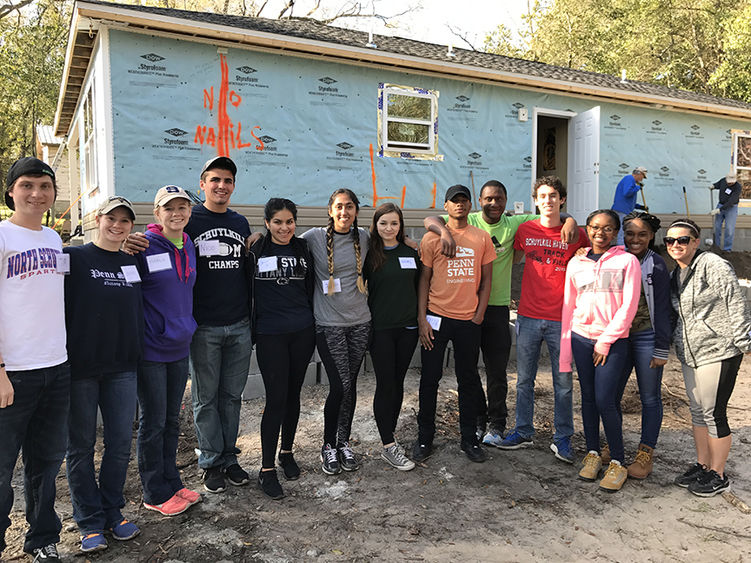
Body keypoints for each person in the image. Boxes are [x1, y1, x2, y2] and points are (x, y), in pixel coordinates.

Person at [125, 157, 253, 494]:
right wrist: (132, 241)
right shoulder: (190, 219)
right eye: (215, 180)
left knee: (232, 397)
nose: (221, 186)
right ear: (203, 185)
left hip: (239, 324)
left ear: (233, 186)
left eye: (227, 180)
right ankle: (210, 461)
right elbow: (160, 237)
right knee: (205, 398)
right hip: (203, 327)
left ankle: (229, 456)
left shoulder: (240, 223)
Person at [423, 180, 578, 446]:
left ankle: (496, 423)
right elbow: (431, 218)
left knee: (496, 371)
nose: (494, 204)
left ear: (506, 201)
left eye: (499, 199)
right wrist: (444, 233)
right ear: (479, 202)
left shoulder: (515, 223)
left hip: (496, 308)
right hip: (465, 309)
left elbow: (552, 212)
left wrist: (571, 220)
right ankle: (478, 420)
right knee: (469, 371)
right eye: (488, 199)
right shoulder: (468, 218)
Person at [64, 197, 143, 553]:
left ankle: (113, 511)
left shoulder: (131, 265)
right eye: (112, 218)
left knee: (120, 444)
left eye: (125, 221)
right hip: (80, 369)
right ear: (98, 219)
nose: (118, 225)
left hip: (122, 368)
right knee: (80, 448)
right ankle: (89, 520)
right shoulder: (75, 258)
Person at [0, 157, 69, 563]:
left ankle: (43, 537)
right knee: (2, 467)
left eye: (44, 186)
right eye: (27, 185)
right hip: (13, 374)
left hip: (56, 368)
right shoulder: (3, 236)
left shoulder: (53, 239)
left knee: (45, 463)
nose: (36, 193)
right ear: (11, 190)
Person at [499, 176, 587, 464]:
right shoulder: (525, 230)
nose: (547, 201)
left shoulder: (577, 234)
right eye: (542, 196)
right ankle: (523, 430)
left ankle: (562, 437)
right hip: (528, 317)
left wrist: (571, 221)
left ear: (562, 200)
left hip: (562, 320)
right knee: (524, 379)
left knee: (563, 383)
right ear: (535, 201)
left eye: (553, 196)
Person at [667, 218, 751, 497]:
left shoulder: (713, 265)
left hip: (720, 350)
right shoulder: (676, 274)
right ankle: (702, 465)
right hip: (691, 353)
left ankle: (719, 473)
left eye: (682, 240)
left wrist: (743, 341)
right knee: (697, 412)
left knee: (714, 413)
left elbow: (734, 301)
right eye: (670, 240)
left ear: (695, 241)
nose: (675, 245)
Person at [413, 184, 495, 463]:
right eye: (454, 201)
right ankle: (425, 438)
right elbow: (423, 279)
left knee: (468, 379)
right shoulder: (430, 239)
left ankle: (469, 438)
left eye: (464, 200)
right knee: (429, 379)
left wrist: (480, 313)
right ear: (445, 206)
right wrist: (422, 318)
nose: (459, 205)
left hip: (468, 319)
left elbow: (486, 280)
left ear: (470, 205)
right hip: (436, 317)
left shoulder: (482, 238)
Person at [560, 209, 640, 493]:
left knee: (606, 400)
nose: (600, 233)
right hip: (582, 338)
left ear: (616, 231)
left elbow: (629, 307)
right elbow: (569, 305)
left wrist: (606, 340)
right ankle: (593, 453)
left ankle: (617, 461)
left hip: (613, 341)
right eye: (595, 227)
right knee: (589, 399)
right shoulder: (576, 262)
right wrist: (566, 349)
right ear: (587, 229)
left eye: (607, 228)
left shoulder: (627, 262)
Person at [135, 186, 201, 516]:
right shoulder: (143, 245)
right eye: (169, 208)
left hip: (179, 345)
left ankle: (172, 481)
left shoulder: (188, 243)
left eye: (183, 207)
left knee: (172, 421)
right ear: (156, 214)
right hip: (151, 348)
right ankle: (154, 491)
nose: (177, 213)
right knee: (153, 422)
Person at [301, 189, 370, 475]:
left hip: (360, 322)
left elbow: (394, 235)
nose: (344, 212)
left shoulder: (364, 237)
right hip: (329, 324)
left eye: (350, 207)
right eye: (339, 207)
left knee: (350, 386)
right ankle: (328, 445)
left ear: (356, 210)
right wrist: (257, 238)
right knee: (339, 386)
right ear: (330, 210)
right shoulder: (313, 237)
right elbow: (283, 239)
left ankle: (344, 442)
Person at [250, 198, 315, 498]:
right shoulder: (256, 249)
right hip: (270, 334)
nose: (284, 227)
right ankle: (266, 469)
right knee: (275, 399)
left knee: (293, 395)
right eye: (278, 222)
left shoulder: (302, 249)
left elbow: (311, 287)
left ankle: (286, 453)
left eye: (289, 222)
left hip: (302, 331)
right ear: (267, 223)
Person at [364, 203, 420, 471]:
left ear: (401, 225)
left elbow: (421, 285)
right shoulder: (368, 253)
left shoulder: (411, 251)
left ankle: (391, 435)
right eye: (383, 223)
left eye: (394, 223)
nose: (389, 228)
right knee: (385, 383)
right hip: (381, 329)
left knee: (398, 382)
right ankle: (388, 444)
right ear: (375, 225)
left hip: (408, 328)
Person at [618, 211, 671, 479]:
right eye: (630, 233)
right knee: (611, 393)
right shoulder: (616, 257)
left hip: (646, 337)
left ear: (651, 237)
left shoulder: (657, 265)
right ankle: (613, 444)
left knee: (649, 397)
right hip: (619, 337)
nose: (635, 239)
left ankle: (645, 453)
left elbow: (663, 308)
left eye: (642, 235)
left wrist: (662, 347)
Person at [611, 166, 648, 246]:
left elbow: (629, 201)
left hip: (624, 210)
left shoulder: (632, 182)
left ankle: (622, 248)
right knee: (622, 231)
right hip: (621, 210)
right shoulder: (629, 178)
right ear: (638, 174)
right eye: (643, 176)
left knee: (623, 230)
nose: (642, 179)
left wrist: (640, 207)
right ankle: (621, 249)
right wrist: (638, 187)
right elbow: (627, 193)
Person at [709, 172, 741, 251]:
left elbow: (731, 201)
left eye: (732, 182)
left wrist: (719, 210)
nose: (730, 183)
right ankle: (716, 247)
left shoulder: (738, 187)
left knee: (729, 229)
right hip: (720, 205)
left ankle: (727, 249)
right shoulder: (723, 181)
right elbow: (718, 184)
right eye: (729, 182)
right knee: (717, 227)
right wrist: (713, 186)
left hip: (731, 208)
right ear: (726, 179)